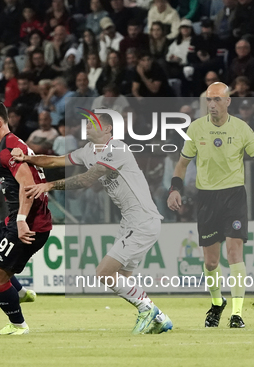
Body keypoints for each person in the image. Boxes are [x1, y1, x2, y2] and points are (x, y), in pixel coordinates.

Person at [12, 109, 173, 335]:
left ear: (107, 129)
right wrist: (27, 157)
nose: (87, 126)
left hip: (142, 221)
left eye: (93, 123)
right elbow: (53, 160)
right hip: (131, 223)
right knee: (120, 280)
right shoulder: (88, 151)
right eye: (86, 123)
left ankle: (149, 311)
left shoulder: (117, 148)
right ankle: (160, 317)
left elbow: (87, 179)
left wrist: (48, 186)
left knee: (104, 273)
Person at [167, 82, 254, 328]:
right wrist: (175, 189)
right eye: (209, 100)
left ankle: (237, 314)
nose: (212, 104)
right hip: (206, 198)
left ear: (228, 102)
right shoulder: (196, 129)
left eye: (217, 100)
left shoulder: (241, 128)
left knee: (234, 254)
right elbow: (182, 164)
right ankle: (217, 303)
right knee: (211, 262)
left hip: (234, 196)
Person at [0, 100, 51, 335]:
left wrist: (22, 220)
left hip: (30, 222)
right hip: (15, 219)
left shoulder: (9, 150)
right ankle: (21, 293)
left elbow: (28, 185)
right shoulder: (10, 144)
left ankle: (18, 325)